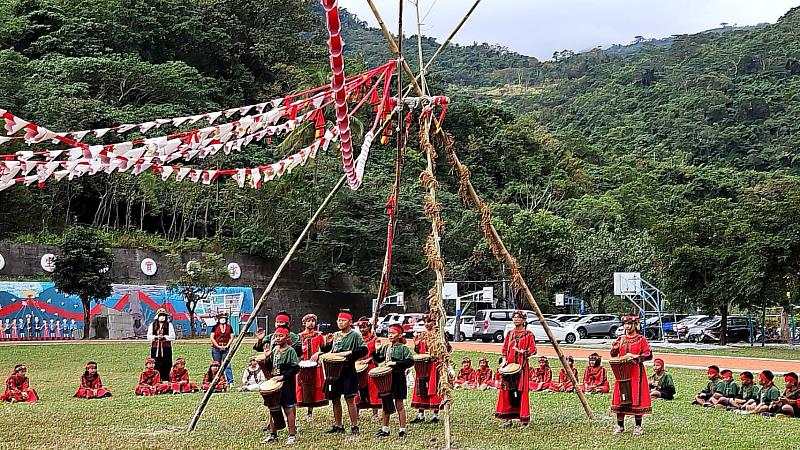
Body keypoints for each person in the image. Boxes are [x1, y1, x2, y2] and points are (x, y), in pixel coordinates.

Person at [319, 310, 368, 435]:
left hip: (347, 370)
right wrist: (327, 344)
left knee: (350, 398)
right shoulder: (335, 335)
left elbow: (364, 350)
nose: (340, 322)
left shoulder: (355, 335)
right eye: (338, 320)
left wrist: (350, 352)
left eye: (343, 320)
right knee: (334, 398)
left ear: (350, 322)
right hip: (334, 371)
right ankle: (338, 425)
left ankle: (354, 426)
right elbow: (329, 351)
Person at [610, 315, 652, 436]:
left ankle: (638, 426)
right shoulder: (621, 339)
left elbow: (648, 355)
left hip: (636, 372)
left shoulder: (641, 339)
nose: (627, 327)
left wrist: (636, 357)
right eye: (625, 324)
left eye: (629, 324)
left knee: (636, 396)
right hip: (622, 372)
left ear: (635, 325)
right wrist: (614, 348)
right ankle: (620, 426)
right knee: (620, 396)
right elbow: (614, 354)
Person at [373, 324, 414, 438]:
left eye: (393, 333)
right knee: (386, 404)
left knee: (399, 404)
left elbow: (410, 361)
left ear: (400, 335)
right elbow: (379, 359)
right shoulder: (386, 347)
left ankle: (402, 429)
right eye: (389, 333)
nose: (390, 335)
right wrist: (376, 351)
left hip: (398, 378)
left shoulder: (403, 348)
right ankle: (385, 429)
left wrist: (395, 363)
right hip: (387, 379)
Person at [496, 310, 536, 428]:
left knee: (521, 392)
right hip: (509, 366)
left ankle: (524, 420)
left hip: (522, 367)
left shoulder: (528, 334)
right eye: (514, 317)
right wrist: (503, 362)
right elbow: (504, 350)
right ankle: (507, 419)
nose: (516, 319)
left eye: (518, 317)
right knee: (506, 391)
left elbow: (533, 350)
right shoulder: (510, 334)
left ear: (524, 320)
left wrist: (523, 352)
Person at [262, 326, 300, 445]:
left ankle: (292, 435)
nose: (278, 338)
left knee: (288, 409)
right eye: (276, 336)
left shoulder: (290, 351)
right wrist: (267, 356)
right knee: (273, 409)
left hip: (286, 384)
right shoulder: (274, 350)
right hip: (275, 383)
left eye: (280, 336)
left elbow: (295, 368)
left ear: (287, 337)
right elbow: (269, 367)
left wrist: (283, 376)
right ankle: (273, 435)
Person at [410, 314, 449, 424]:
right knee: (421, 389)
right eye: (425, 322)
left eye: (429, 321)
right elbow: (419, 351)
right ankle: (420, 415)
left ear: (435, 322)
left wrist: (440, 351)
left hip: (434, 366)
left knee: (434, 389)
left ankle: (434, 415)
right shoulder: (423, 335)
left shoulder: (440, 335)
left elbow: (448, 349)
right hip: (423, 366)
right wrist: (416, 344)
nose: (427, 324)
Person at [296, 313, 328, 421]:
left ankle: (310, 412)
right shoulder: (299, 336)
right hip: (302, 366)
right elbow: (296, 351)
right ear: (304, 323)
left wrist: (318, 353)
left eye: (313, 321)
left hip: (316, 366)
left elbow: (324, 349)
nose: (311, 323)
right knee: (301, 387)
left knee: (314, 388)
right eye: (308, 321)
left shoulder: (319, 336)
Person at [356, 316, 381, 421]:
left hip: (371, 366)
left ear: (369, 327)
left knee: (373, 389)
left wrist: (369, 359)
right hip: (358, 366)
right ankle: (356, 412)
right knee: (357, 389)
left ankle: (375, 413)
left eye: (364, 327)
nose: (362, 329)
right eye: (360, 327)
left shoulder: (375, 339)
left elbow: (377, 356)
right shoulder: (356, 339)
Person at [147, 308, 175, 382]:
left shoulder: (169, 325)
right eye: (161, 315)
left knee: (167, 363)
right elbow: (149, 336)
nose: (162, 317)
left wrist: (164, 337)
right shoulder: (152, 325)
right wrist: (156, 337)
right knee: (156, 363)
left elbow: (173, 336)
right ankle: (156, 379)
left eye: (164, 315)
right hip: (155, 348)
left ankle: (166, 379)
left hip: (166, 348)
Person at [210, 312, 235, 387]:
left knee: (227, 365)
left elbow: (232, 337)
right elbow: (212, 337)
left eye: (224, 318)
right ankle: (219, 380)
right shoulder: (215, 327)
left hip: (226, 348)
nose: (222, 320)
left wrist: (227, 345)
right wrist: (217, 346)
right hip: (216, 349)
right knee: (217, 365)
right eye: (221, 318)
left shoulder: (229, 327)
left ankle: (230, 381)